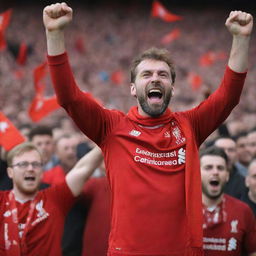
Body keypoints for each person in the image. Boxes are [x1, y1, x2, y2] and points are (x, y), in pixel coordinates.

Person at [43, 3, 253, 255]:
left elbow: (228, 96)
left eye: (163, 75)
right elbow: (69, 97)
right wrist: (54, 34)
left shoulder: (190, 125)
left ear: (172, 89)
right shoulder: (111, 127)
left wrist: (240, 38)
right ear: (133, 88)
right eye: (146, 74)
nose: (155, 78)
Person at [0, 142, 103, 255]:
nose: (30, 168)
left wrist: (106, 140)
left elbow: (83, 168)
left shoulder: (56, 198)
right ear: (10, 172)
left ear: (41, 172)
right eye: (23, 164)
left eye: (36, 164)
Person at [200, 146, 256, 256]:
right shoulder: (181, 209)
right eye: (208, 167)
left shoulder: (243, 211)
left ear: (227, 176)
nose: (215, 172)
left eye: (220, 168)